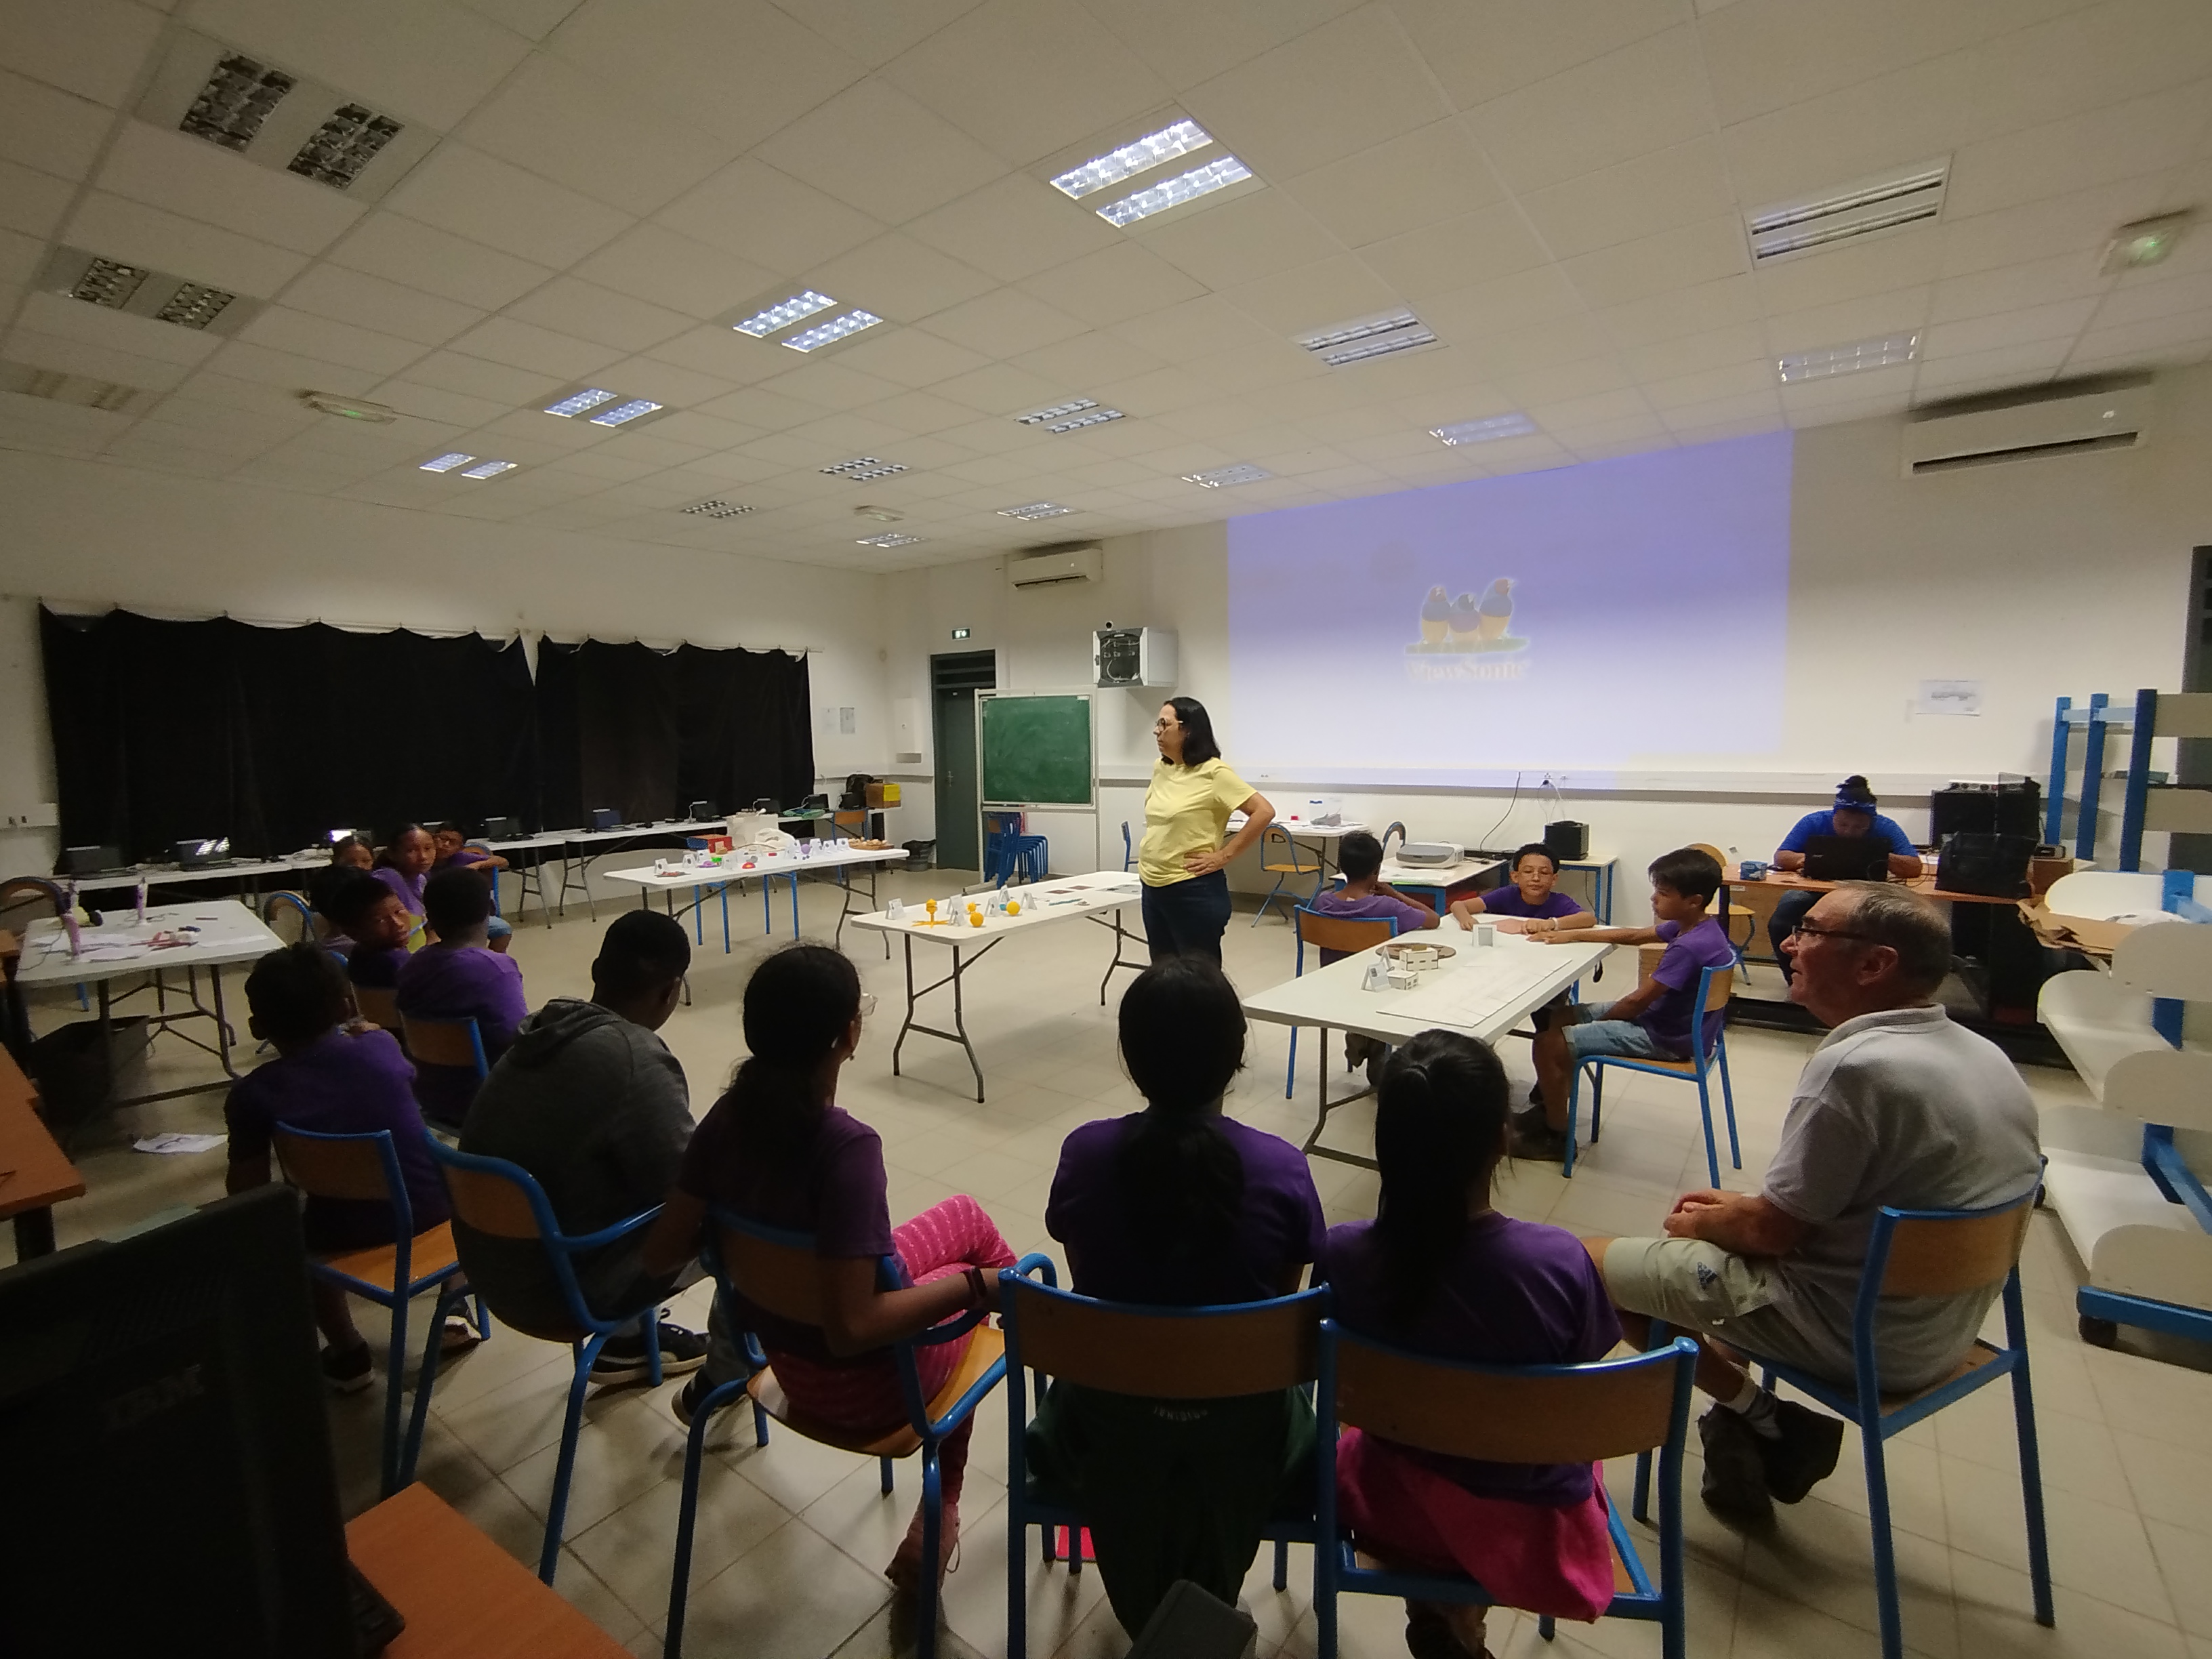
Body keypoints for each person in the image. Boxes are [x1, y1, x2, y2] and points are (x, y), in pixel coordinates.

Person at [1587, 884, 2040, 1526]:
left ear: (1874, 963)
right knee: (1708, 1245)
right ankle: (1739, 1427)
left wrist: (1707, 1221)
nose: (1791, 945)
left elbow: (1770, 1235)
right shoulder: (1983, 1053)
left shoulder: (1858, 1068)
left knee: (1591, 1265)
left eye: (1811, 932)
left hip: (1860, 1337)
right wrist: (1738, 1214)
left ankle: (1767, 1418)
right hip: (1943, 1330)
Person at [638, 944, 1017, 1597]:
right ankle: (947, 1501)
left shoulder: (726, 1120)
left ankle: (1020, 1314)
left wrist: (743, 1239)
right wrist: (978, 1287)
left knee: (963, 1217)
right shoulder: (845, 1149)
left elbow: (660, 1255)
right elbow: (853, 1327)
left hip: (785, 1367)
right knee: (976, 1284)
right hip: (871, 1391)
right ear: (848, 1034)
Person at [1031, 955, 1326, 1637]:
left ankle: (1168, 1611)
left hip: (1106, 1421)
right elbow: (1275, 1309)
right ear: (1236, 1056)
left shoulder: (1085, 1153)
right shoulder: (1282, 1167)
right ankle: (1200, 1611)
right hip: (1246, 1433)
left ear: (1131, 1058)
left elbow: (1088, 1278)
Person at [1321, 1030, 1621, 1659]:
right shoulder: (1556, 1262)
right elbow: (1579, 1376)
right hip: (1528, 1525)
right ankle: (1459, 1617)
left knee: (1409, 1440)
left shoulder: (1345, 1255)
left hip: (1388, 1504)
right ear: (1502, 1137)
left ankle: (1441, 1610)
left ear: (1385, 1142)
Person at [457, 910, 708, 1387]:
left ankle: (628, 1341)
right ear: (671, 990)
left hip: (486, 1265)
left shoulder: (539, 1032)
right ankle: (728, 1372)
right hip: (561, 1290)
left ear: (596, 970)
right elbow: (688, 1188)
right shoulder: (634, 1058)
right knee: (737, 1221)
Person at [224, 942, 474, 1391]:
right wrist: (365, 1032)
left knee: (301, 1235)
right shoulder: (381, 1048)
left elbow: (248, 1191)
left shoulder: (251, 1095)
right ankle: (454, 1310)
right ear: (344, 1007)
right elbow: (403, 1079)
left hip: (336, 1234)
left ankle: (348, 1350)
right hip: (434, 1216)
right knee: (455, 1190)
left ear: (258, 1026)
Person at [1523, 848, 1734, 1161]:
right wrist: (1573, 935)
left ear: (1694, 900)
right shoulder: (1698, 926)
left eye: (1663, 894)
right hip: (1681, 1026)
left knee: (1547, 1043)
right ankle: (1552, 1102)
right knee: (1561, 1016)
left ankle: (1556, 1135)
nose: (1653, 899)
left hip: (1665, 1038)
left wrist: (1598, 1023)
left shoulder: (1689, 947)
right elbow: (1635, 936)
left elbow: (1636, 1003)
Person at [1137, 696, 1275, 962]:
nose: (1156, 731)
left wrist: (1224, 856)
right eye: (1157, 724)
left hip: (1191, 888)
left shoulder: (1214, 772)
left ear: (1187, 729)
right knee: (1164, 969)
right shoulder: (1161, 768)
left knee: (1199, 972)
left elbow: (1264, 811)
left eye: (1164, 724)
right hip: (1152, 884)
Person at [395, 867, 529, 1128]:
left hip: (430, 1097)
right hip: (487, 1101)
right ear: (489, 910)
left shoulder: (412, 965)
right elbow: (517, 1041)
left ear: (429, 918)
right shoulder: (496, 969)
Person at [1309, 829, 1438, 1081]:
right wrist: (1395, 894)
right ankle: (1374, 1045)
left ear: (1341, 867)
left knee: (1362, 988)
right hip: (1379, 988)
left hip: (1332, 986)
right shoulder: (1387, 906)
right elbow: (1433, 919)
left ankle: (1360, 1036)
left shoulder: (1323, 902)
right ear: (1376, 871)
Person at [1767, 777, 1924, 981]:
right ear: (1834, 815)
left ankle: (1865, 981)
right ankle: (1796, 980)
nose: (1849, 832)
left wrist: (1880, 854)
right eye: (1842, 824)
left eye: (1859, 827)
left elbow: (1914, 868)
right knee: (1784, 916)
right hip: (1816, 890)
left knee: (1889, 926)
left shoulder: (1886, 827)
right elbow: (1781, 856)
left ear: (1871, 821)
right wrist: (1809, 859)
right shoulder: (1814, 821)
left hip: (1866, 893)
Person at [1448, 843, 1594, 937]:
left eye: (1544, 873)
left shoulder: (1559, 901)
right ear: (1515, 877)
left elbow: (1588, 919)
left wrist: (1550, 924)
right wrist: (1466, 919)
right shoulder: (1506, 895)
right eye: (1528, 872)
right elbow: (1458, 905)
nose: (1536, 878)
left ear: (1554, 879)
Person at [317, 869, 413, 994]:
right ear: (353, 932)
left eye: (398, 911)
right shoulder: (394, 964)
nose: (398, 924)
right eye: (380, 920)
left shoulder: (359, 954)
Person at [432, 825, 514, 951]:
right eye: (442, 839)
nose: (446, 845)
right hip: (435, 914)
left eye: (453, 842)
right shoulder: (423, 859)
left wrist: (477, 865)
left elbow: (503, 861)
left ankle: (490, 959)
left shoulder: (460, 857)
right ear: (433, 838)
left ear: (460, 848)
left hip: (463, 913)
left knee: (503, 929)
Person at [373, 824, 436, 950]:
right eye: (411, 850)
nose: (423, 856)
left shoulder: (421, 878)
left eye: (428, 848)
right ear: (392, 854)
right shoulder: (385, 879)